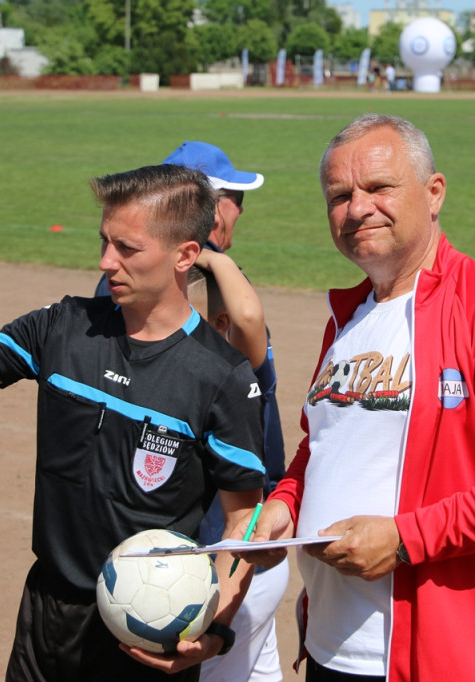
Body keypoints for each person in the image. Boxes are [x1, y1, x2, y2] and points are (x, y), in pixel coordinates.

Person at [0, 165, 267, 682]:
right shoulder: (63, 326)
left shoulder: (221, 376)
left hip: (146, 633)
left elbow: (244, 522)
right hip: (47, 608)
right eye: (104, 242)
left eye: (127, 248)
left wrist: (209, 629)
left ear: (185, 255)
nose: (106, 261)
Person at [239, 113, 475, 682]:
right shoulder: (348, 317)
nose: (356, 209)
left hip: (438, 660)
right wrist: (283, 506)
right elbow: (324, 446)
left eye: (379, 188)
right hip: (328, 648)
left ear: (433, 193)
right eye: (339, 195)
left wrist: (405, 540)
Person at [97, 140, 289, 682]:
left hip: (243, 533)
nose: (240, 210)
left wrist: (204, 253)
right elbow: (250, 329)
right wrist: (205, 252)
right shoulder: (171, 290)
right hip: (202, 554)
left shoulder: (208, 277)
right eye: (232, 197)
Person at [187, 252, 289, 682]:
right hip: (258, 571)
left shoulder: (237, 367)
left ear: (219, 326)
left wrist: (205, 253)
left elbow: (248, 317)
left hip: (230, 574)